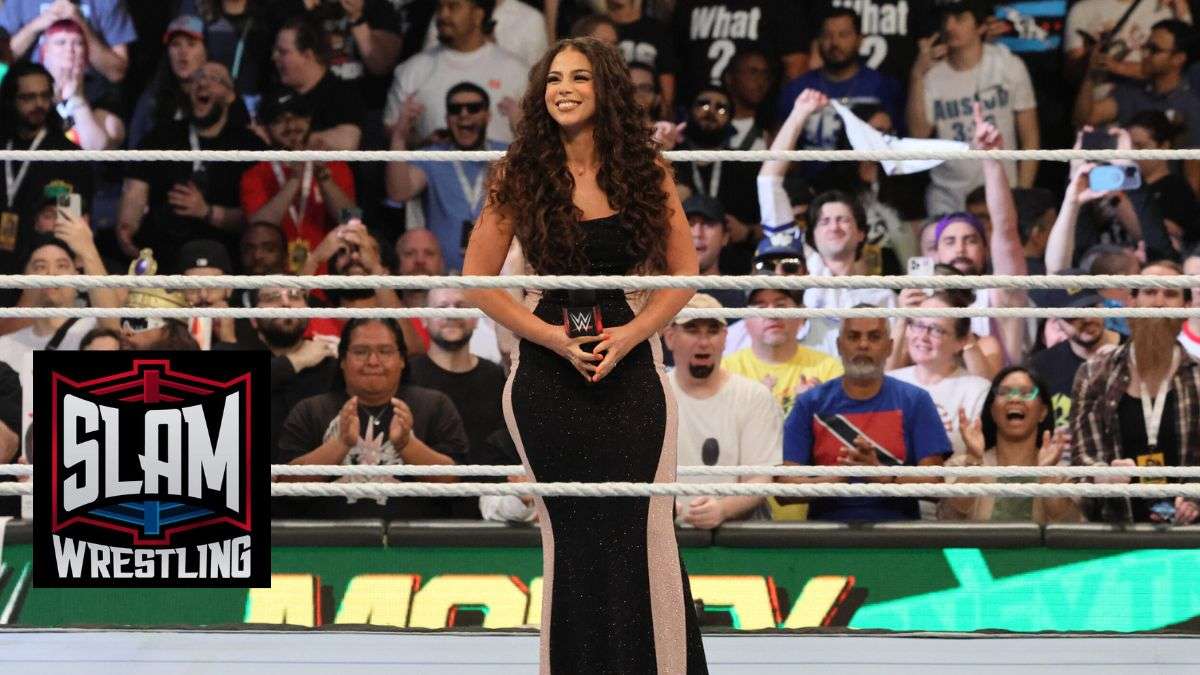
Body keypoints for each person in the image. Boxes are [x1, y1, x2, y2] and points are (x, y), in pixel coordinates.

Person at [461, 37, 707, 673]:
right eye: (553, 79)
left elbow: (683, 274)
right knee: (569, 538)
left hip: (632, 375)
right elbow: (479, 281)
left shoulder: (645, 170)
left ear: (606, 91)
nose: (563, 89)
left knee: (643, 535)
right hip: (548, 378)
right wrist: (553, 341)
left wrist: (631, 336)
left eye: (579, 78)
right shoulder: (517, 173)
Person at [276, 318, 467, 519]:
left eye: (385, 351)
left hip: (415, 543)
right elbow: (287, 489)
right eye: (360, 352)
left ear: (402, 359)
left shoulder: (435, 406)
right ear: (342, 360)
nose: (373, 361)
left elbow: (455, 486)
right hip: (328, 543)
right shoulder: (310, 410)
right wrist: (339, 443)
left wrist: (407, 445)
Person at [778, 313, 951, 522]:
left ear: (889, 347)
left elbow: (935, 485)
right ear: (839, 345)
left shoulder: (916, 400)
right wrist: (835, 479)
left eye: (874, 337)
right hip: (826, 540)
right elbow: (784, 490)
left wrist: (885, 477)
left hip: (900, 539)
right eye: (853, 336)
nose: (863, 344)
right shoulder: (809, 403)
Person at [1071, 260, 1200, 525]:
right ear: (1131, 301)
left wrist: (1196, 497)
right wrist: (1101, 476)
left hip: (1188, 537)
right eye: (1150, 292)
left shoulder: (1198, 379)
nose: (1159, 303)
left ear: (1187, 307)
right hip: (1115, 531)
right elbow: (1082, 460)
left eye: (1171, 293)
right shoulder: (1095, 375)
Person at [117, 61, 265, 271]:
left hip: (223, 262)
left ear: (230, 96)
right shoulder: (161, 136)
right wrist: (127, 226)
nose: (202, 84)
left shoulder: (249, 145)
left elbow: (257, 217)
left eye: (214, 79)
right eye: (197, 79)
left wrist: (206, 211)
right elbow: (135, 189)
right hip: (164, 257)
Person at [908, 0, 1038, 213]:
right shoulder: (931, 74)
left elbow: (1030, 138)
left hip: (1002, 192)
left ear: (981, 26)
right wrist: (916, 75)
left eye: (959, 19)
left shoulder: (1008, 66)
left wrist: (1022, 193)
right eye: (945, 20)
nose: (949, 26)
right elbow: (919, 134)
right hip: (947, 197)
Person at [666, 294, 781, 529]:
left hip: (737, 537)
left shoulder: (754, 397)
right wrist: (661, 505)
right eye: (692, 329)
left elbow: (760, 479)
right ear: (670, 337)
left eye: (712, 330)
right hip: (666, 534)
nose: (704, 341)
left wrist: (723, 509)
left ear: (725, 337)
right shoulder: (656, 395)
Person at [386, 81, 508, 271]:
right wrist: (399, 136)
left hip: (499, 275)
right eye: (455, 109)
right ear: (447, 118)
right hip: (444, 282)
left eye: (473, 108)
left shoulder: (506, 154)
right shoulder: (433, 156)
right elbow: (399, 192)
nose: (464, 114)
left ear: (488, 116)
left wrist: (523, 130)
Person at [940, 366, 1082, 523]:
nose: (1014, 399)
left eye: (1026, 393)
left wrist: (1048, 477)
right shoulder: (960, 466)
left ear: (1042, 412)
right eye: (1004, 392)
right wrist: (974, 461)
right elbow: (947, 519)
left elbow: (1070, 527)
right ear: (992, 410)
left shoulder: (1061, 473)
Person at [0, 61, 93, 301]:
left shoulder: (69, 156)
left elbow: (70, 221)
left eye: (44, 96)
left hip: (41, 267)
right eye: (28, 98)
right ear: (10, 100)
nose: (39, 104)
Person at [241, 90, 357, 273]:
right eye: (279, 120)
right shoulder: (255, 175)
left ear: (309, 120)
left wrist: (324, 178)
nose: (290, 126)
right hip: (276, 280)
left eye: (298, 116)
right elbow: (258, 228)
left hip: (329, 278)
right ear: (265, 129)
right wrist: (294, 180)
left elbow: (352, 221)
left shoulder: (335, 166)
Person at [383, 0, 528, 145]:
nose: (443, 15)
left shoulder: (516, 71)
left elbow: (540, 133)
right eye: (440, 7)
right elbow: (390, 129)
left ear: (478, 15)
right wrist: (424, 144)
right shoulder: (412, 70)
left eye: (453, 6)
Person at [778, 7, 904, 157]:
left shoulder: (884, 86)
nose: (834, 42)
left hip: (863, 177)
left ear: (859, 39)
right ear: (818, 40)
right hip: (809, 180)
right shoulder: (798, 89)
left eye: (843, 35)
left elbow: (897, 146)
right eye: (827, 35)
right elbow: (781, 150)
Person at [889, 292, 991, 457]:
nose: (923, 337)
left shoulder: (977, 390)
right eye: (919, 325)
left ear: (961, 341)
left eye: (936, 330)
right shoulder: (891, 382)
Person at [1076, 19, 1200, 152]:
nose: (1145, 55)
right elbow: (1086, 118)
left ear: (1178, 59)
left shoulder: (1191, 104)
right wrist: (1090, 76)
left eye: (1154, 50)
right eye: (1146, 47)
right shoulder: (1134, 90)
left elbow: (1193, 168)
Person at [724, 285, 844, 414]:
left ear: (800, 317)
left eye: (780, 305)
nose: (772, 314)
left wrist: (819, 406)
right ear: (746, 321)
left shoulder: (830, 369)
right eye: (761, 307)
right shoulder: (725, 372)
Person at [1027, 277, 1120, 430]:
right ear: (1057, 322)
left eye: (1091, 307)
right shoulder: (1041, 366)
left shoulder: (1132, 352)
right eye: (1074, 315)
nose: (1087, 318)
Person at [272, 16, 366, 151]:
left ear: (307, 55)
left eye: (283, 52)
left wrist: (293, 138)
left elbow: (348, 141)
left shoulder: (343, 94)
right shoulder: (276, 96)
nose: (275, 58)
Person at [0, 0, 136, 84]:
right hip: (31, 84)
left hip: (89, 88)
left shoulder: (107, 2)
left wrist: (81, 24)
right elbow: (2, 61)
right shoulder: (19, 2)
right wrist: (38, 24)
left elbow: (117, 73)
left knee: (111, 125)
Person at [39, 18, 124, 150]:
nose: (70, 49)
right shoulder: (29, 86)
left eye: (78, 43)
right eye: (61, 42)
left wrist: (77, 97)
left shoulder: (101, 92)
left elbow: (98, 147)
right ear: (45, 51)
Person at [129, 15, 209, 149]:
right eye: (175, 44)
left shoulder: (220, 94)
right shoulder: (153, 98)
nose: (182, 52)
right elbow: (135, 152)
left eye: (191, 44)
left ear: (206, 51)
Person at [609, 0, 676, 117]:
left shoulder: (657, 29)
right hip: (612, 107)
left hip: (649, 108)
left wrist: (666, 107)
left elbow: (666, 70)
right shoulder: (603, 28)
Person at [683, 194, 744, 309]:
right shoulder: (656, 292)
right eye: (689, 224)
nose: (697, 234)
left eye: (708, 224)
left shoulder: (743, 299)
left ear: (725, 237)